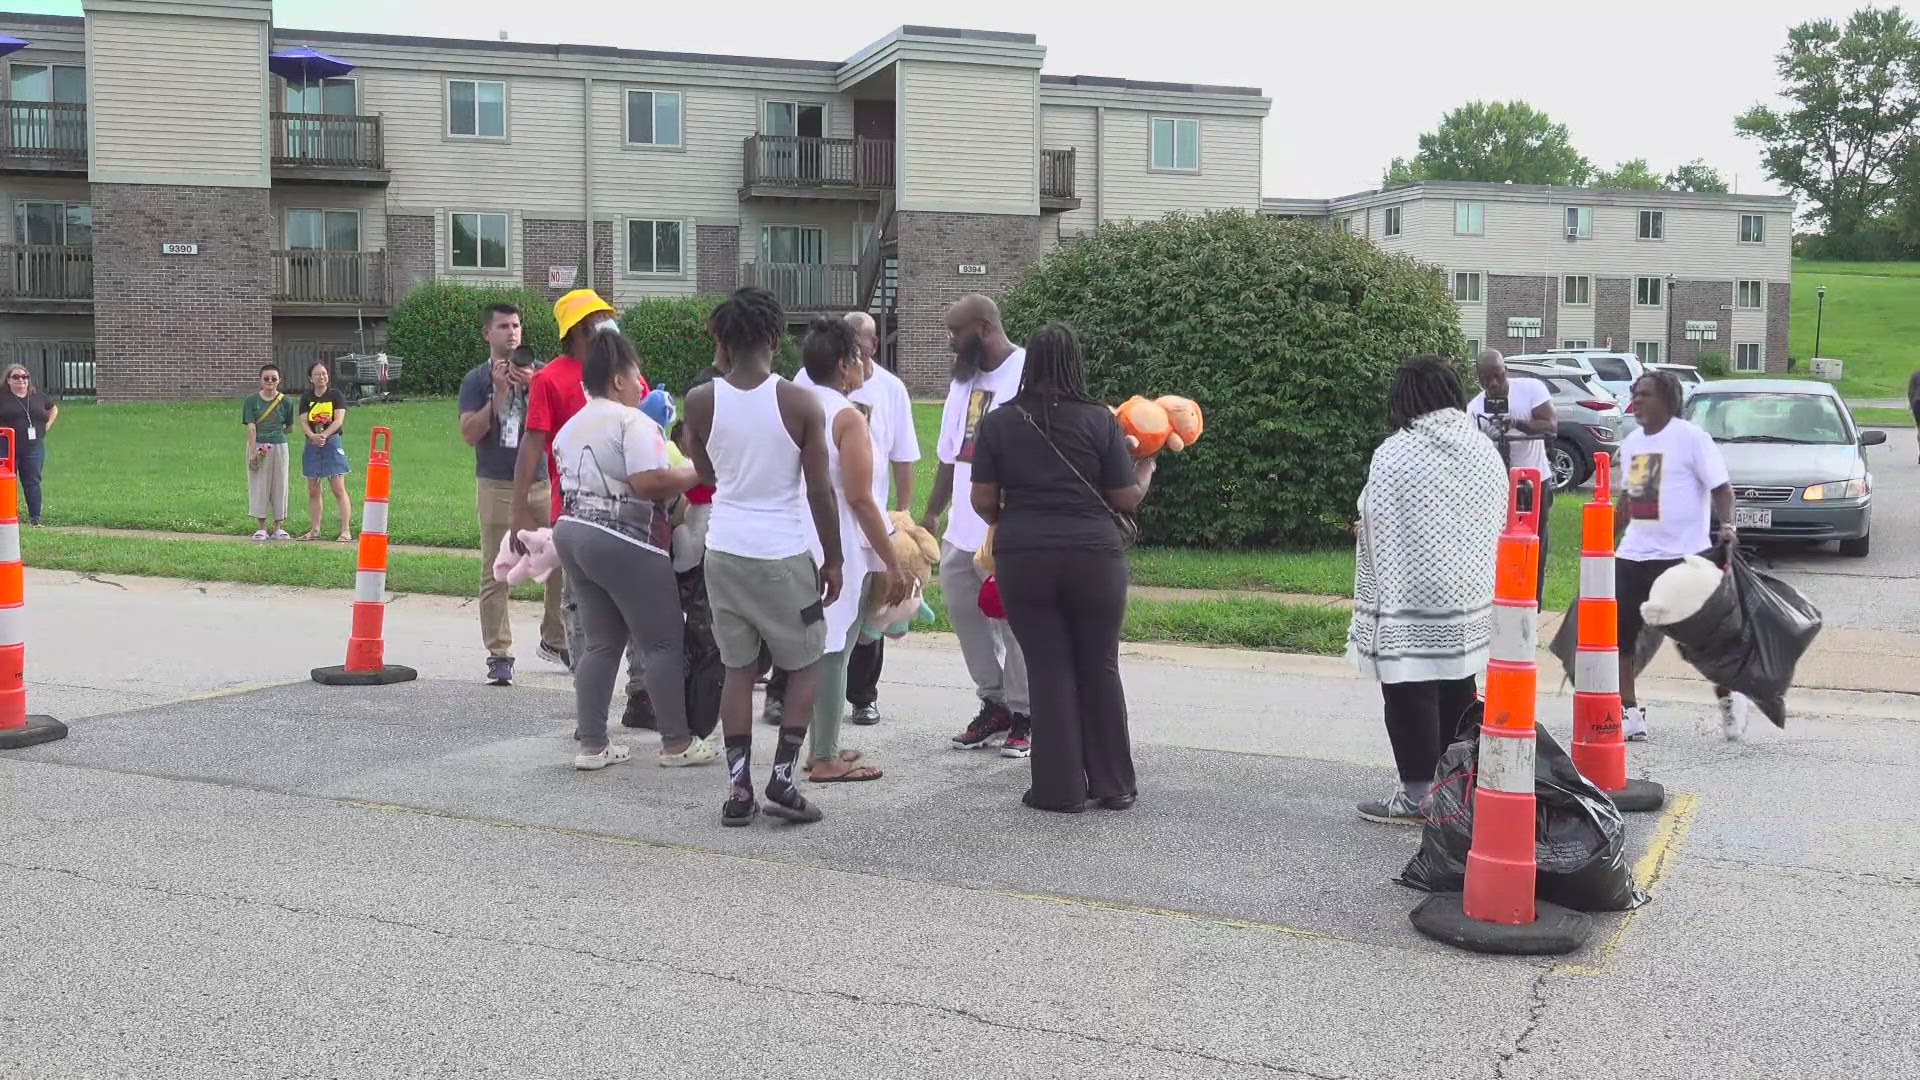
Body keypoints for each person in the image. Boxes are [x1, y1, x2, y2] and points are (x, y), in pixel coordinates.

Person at [969, 323, 1156, 813]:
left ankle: (1059, 790)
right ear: (1077, 364)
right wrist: (1147, 470)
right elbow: (1124, 499)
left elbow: (984, 504)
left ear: (1029, 365)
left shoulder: (998, 423)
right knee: (1099, 664)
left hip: (1025, 557)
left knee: (1048, 668)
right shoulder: (1100, 421)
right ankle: (1114, 785)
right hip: (1094, 556)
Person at [683, 287, 842, 827]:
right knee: (807, 660)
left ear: (723, 344)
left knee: (737, 668)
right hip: (781, 553)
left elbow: (703, 469)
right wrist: (835, 559)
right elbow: (820, 490)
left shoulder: (701, 400)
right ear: (776, 339)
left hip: (723, 551)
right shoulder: (800, 403)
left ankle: (738, 790)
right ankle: (782, 777)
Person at [1348, 357, 1507, 824]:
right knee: (1458, 687)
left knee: (1407, 689)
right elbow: (1494, 513)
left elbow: (1373, 516)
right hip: (1469, 589)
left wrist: (1364, 527)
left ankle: (1415, 795)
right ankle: (1454, 790)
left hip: (1410, 589)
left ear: (1406, 400)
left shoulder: (1395, 452)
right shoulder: (1481, 448)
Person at [550, 325, 713, 770]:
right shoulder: (633, 421)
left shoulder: (569, 428)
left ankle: (592, 744)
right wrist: (696, 472)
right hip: (623, 537)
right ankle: (677, 743)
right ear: (619, 379)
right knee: (662, 640)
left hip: (572, 535)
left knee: (602, 643)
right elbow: (648, 482)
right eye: (636, 375)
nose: (641, 384)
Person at [767, 309, 920, 728]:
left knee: (800, 646)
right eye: (857, 357)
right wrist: (892, 559)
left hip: (786, 534)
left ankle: (800, 746)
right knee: (834, 648)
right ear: (843, 365)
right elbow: (861, 498)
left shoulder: (788, 403)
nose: (862, 366)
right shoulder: (847, 416)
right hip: (834, 540)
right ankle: (825, 752)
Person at [511, 288, 652, 710]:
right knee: (583, 611)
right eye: (596, 318)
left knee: (638, 605)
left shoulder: (624, 372)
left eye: (607, 317)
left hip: (630, 508)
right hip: (575, 510)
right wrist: (520, 510)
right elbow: (532, 443)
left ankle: (641, 694)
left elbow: (646, 416)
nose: (605, 324)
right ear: (576, 330)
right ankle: (589, 704)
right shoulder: (551, 379)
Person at [921, 294, 1032, 754]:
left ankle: (1027, 713)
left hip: (1006, 527)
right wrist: (932, 511)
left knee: (1014, 622)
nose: (950, 343)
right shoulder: (963, 380)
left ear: (984, 328)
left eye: (955, 333)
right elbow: (950, 452)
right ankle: (995, 703)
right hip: (961, 529)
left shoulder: (1026, 372)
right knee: (966, 617)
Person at [1614, 370, 1744, 741]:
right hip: (1636, 554)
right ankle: (1629, 712)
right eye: (1634, 394)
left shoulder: (1691, 439)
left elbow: (1721, 489)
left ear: (1667, 401)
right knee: (1621, 637)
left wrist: (1728, 525)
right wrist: (1603, 540)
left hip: (1684, 556)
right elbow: (1634, 497)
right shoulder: (1635, 441)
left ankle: (1729, 700)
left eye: (1645, 395)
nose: (1636, 400)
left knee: (1699, 642)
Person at [459, 302, 566, 687]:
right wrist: (499, 395)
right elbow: (470, 434)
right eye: (503, 326)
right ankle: (499, 654)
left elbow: (560, 424)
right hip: (496, 483)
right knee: (497, 571)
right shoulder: (476, 380)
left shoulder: (543, 376)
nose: (512, 333)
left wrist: (534, 384)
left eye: (517, 325)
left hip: (540, 483)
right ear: (488, 333)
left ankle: (555, 638)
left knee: (558, 562)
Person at [1466, 348, 1556, 609]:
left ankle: (1532, 603)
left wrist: (1517, 423)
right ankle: (1500, 599)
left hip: (1534, 480)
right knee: (1497, 543)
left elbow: (1551, 426)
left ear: (1506, 371)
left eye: (1498, 376)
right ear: (1479, 380)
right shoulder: (1474, 409)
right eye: (1486, 380)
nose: (1493, 384)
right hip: (1498, 486)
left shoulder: (1531, 389)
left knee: (1535, 542)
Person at [297, 360, 352, 542]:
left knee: (338, 488)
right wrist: (313, 436)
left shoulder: (336, 395)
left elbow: (338, 420)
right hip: (312, 444)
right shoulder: (306, 398)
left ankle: (345, 530)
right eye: (317, 374)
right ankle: (315, 529)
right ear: (310, 378)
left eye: (324, 374)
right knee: (313, 490)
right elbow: (304, 421)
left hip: (332, 442)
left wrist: (325, 435)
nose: (321, 377)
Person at [241, 363, 295, 540]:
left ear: (279, 380)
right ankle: (262, 527)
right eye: (266, 378)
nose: (270, 381)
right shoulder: (251, 401)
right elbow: (251, 427)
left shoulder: (286, 402)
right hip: (258, 445)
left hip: (279, 445)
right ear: (260, 380)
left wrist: (276, 434)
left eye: (273, 378)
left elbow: (290, 427)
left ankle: (279, 526)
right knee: (259, 485)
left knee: (280, 485)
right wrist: (252, 452)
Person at [0, 364, 56, 526]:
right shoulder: (3, 397)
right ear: (8, 380)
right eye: (16, 377)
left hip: (33, 447)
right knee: (6, 481)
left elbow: (53, 409)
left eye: (24, 377)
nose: (21, 380)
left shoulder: (37, 396)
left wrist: (47, 425)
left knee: (32, 481)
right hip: (6, 447)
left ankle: (35, 518)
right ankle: (6, 515)